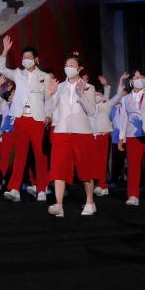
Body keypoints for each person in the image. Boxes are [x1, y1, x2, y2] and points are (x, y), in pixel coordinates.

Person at [0, 36, 53, 203]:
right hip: (20, 119)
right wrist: (5, 51)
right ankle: (14, 189)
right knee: (20, 155)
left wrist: (49, 115)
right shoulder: (17, 73)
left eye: (29, 57)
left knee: (40, 156)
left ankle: (42, 189)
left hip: (37, 120)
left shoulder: (44, 76)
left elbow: (49, 98)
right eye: (24, 58)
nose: (26, 60)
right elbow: (0, 68)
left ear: (36, 59)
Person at [45, 55, 98, 217]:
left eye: (72, 65)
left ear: (79, 68)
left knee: (85, 169)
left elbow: (91, 111)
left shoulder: (89, 87)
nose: (69, 67)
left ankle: (90, 202)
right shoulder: (59, 87)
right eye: (66, 64)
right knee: (59, 168)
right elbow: (49, 109)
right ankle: (59, 204)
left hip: (82, 132)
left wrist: (81, 95)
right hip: (61, 131)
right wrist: (49, 94)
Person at [118, 63, 145, 206]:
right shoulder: (126, 99)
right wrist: (121, 137)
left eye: (141, 76)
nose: (139, 79)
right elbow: (123, 118)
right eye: (136, 77)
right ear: (131, 81)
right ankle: (133, 195)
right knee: (133, 166)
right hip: (132, 135)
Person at [93, 74, 126, 196]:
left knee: (103, 161)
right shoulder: (89, 107)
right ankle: (99, 183)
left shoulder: (106, 104)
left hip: (104, 136)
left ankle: (103, 185)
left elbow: (117, 96)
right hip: (93, 136)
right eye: (95, 94)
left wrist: (115, 82)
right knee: (95, 162)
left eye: (99, 94)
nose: (97, 95)